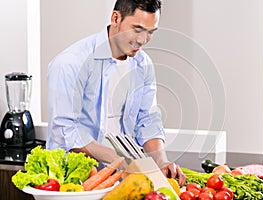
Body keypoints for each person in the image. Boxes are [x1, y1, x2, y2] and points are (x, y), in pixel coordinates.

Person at [46, 0, 186, 186]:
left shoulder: (143, 65)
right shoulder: (71, 63)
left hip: (123, 181)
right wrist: (124, 160)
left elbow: (148, 120)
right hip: (74, 183)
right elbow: (66, 131)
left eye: (150, 32)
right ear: (116, 18)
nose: (143, 40)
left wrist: (160, 161)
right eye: (137, 29)